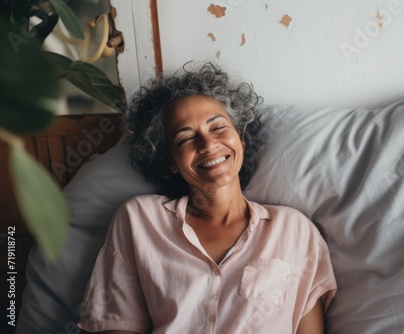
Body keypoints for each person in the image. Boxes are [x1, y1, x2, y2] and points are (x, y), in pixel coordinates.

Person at [77, 62, 336, 333]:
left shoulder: (293, 230)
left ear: (241, 138)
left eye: (218, 127)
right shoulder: (140, 220)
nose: (208, 144)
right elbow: (118, 323)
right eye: (185, 138)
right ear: (170, 162)